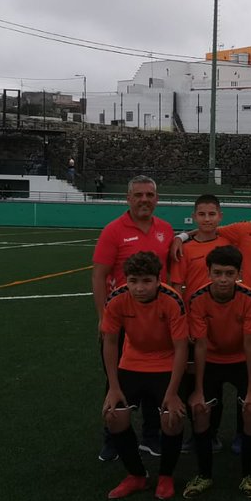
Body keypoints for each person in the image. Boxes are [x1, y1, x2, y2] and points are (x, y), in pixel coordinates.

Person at [175, 188, 251, 453]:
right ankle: (205, 432)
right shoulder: (241, 230)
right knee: (205, 374)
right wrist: (181, 236)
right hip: (232, 312)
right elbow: (208, 230)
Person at [91, 175, 174, 462]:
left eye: (149, 195)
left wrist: (181, 241)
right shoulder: (114, 230)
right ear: (128, 198)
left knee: (155, 379)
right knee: (116, 381)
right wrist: (104, 318)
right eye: (138, 195)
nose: (144, 200)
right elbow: (99, 276)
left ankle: (152, 437)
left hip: (156, 321)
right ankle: (113, 439)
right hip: (123, 319)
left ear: (157, 198)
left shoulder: (165, 229)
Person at [99, 252, 194, 500]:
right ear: (126, 281)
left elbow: (182, 347)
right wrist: (113, 386)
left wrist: (173, 393)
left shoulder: (172, 300)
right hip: (132, 362)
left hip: (165, 363)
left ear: (158, 279)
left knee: (172, 419)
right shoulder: (117, 299)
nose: (139, 288)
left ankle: (165, 476)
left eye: (146, 281)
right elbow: (109, 342)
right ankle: (136, 476)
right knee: (114, 417)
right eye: (133, 281)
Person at [186, 246, 251, 498]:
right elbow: (199, 345)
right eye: (217, 273)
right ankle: (204, 475)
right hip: (211, 359)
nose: (222, 279)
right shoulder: (198, 299)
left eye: (229, 273)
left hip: (241, 359)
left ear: (239, 273)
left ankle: (249, 475)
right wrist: (197, 390)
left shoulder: (249, 297)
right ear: (208, 272)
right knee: (199, 410)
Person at [171, 193, 228, 454]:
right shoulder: (186, 249)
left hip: (221, 325)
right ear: (194, 217)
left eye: (212, 214)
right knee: (189, 381)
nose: (207, 219)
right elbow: (176, 289)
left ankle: (212, 432)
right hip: (193, 325)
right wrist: (183, 324)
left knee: (213, 383)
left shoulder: (229, 245)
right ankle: (192, 433)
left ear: (220, 217)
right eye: (202, 214)